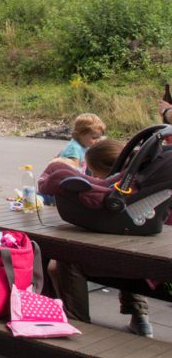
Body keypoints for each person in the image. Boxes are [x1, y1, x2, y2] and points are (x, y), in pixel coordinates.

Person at [48, 138, 154, 337]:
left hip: (139, 264)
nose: (93, 177)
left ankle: (77, 323)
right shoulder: (143, 181)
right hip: (145, 250)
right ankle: (140, 319)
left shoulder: (115, 191)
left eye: (94, 173)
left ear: (106, 170)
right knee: (129, 252)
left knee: (65, 261)